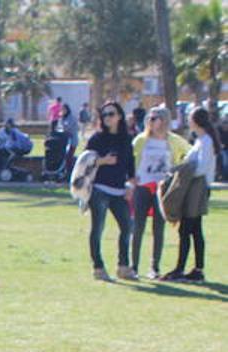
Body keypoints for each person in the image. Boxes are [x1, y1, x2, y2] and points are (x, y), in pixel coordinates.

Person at [130, 107, 189, 280]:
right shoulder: (141, 140)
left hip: (162, 188)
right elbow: (130, 158)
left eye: (156, 118)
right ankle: (133, 266)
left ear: (164, 120)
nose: (153, 121)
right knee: (138, 227)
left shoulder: (174, 140)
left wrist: (177, 171)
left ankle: (154, 267)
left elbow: (189, 153)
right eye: (151, 118)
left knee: (158, 228)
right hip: (142, 186)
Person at [161, 107, 219, 283]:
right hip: (193, 187)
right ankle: (196, 269)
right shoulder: (201, 140)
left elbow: (201, 168)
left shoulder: (206, 141)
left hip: (198, 188)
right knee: (193, 230)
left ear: (196, 121)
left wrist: (182, 169)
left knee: (187, 228)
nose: (187, 120)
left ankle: (182, 268)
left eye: (190, 118)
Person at [85, 101, 136, 281]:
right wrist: (102, 161)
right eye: (104, 115)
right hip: (99, 188)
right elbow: (84, 162)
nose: (107, 118)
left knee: (127, 226)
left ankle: (123, 266)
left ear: (120, 116)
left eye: (111, 114)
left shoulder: (126, 139)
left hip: (119, 190)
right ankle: (98, 267)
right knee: (98, 228)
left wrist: (131, 185)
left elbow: (131, 165)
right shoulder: (97, 139)